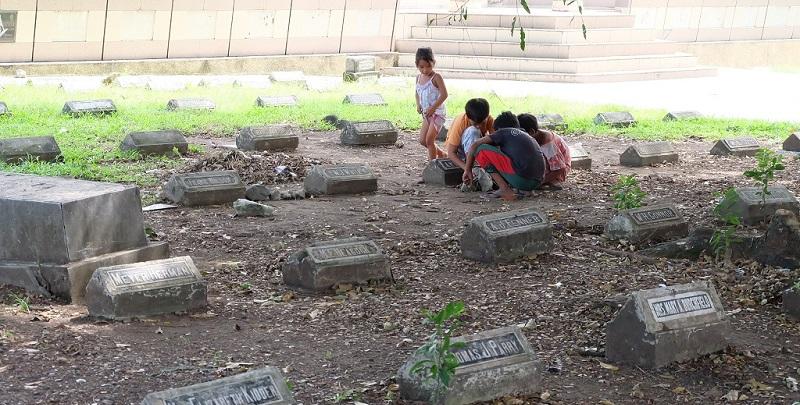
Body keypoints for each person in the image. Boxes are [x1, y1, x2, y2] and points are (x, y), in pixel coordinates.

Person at [463, 111, 545, 200]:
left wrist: (467, 170)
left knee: (481, 149)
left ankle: (504, 189)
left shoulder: (503, 132)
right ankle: (522, 190)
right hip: (537, 182)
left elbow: (475, 145)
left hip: (522, 180)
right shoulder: (526, 135)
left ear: (499, 129)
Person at [444, 98, 495, 192]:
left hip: (475, 152)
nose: (479, 126)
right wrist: (467, 169)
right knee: (473, 131)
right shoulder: (461, 122)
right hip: (461, 154)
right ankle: (475, 169)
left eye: (482, 123)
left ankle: (478, 169)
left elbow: (496, 142)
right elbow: (451, 154)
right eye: (475, 123)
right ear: (468, 117)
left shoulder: (490, 120)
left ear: (487, 116)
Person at [518, 113, 571, 190]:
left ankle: (550, 181)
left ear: (532, 132)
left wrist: (539, 182)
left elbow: (560, 168)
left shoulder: (548, 144)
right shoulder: (534, 136)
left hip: (560, 169)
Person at [415, 47, 448, 161]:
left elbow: (444, 94)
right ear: (417, 65)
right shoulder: (418, 78)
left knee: (429, 140)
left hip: (437, 113)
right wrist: (418, 104)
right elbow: (417, 92)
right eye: (421, 67)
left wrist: (433, 108)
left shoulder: (436, 77)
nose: (425, 70)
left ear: (433, 63)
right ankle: (441, 153)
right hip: (427, 114)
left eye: (428, 66)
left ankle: (433, 165)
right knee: (423, 140)